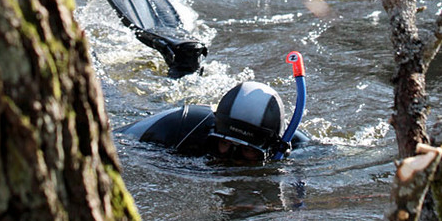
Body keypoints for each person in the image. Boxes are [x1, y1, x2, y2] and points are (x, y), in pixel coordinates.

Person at [121, 80, 309, 161]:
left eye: (247, 150)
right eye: (225, 144)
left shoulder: (290, 146)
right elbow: (115, 140)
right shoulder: (180, 125)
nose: (231, 160)